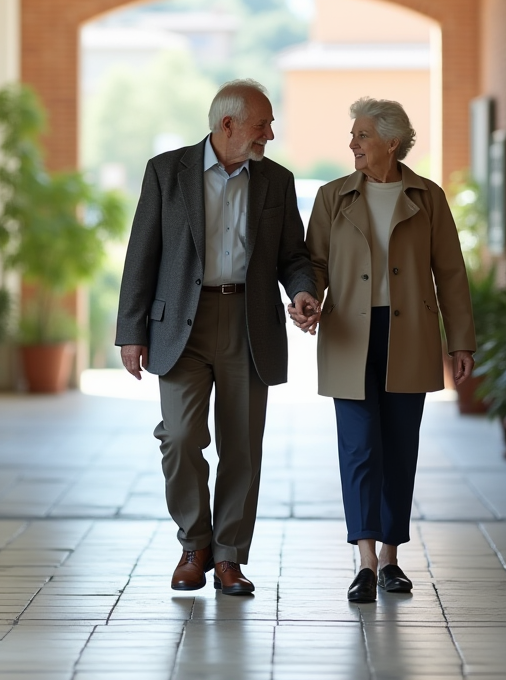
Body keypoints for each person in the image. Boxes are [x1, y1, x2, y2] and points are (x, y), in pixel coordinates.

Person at [116, 79, 320, 596]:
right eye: (262, 124)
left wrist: (302, 291)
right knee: (180, 436)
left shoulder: (276, 180)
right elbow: (142, 253)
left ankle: (229, 556)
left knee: (242, 446)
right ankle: (195, 545)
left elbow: (292, 255)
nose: (269, 134)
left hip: (250, 322)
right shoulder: (166, 171)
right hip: (179, 323)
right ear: (227, 124)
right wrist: (131, 331)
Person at [289, 97, 476, 603]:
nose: (352, 143)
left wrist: (461, 341)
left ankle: (392, 558)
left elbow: (451, 273)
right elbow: (315, 263)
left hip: (409, 335)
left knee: (399, 446)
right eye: (353, 135)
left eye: (362, 135)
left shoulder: (428, 197)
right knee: (359, 448)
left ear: (391, 142)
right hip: (348, 335)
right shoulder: (332, 196)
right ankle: (366, 561)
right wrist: (307, 297)